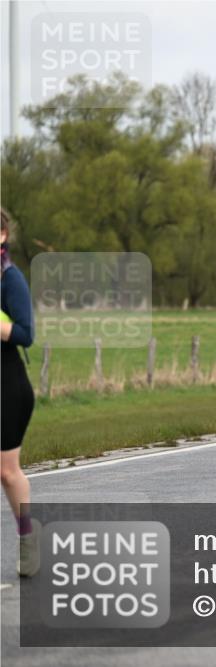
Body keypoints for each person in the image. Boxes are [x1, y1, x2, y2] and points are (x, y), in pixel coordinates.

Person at [0, 209, 39, 576]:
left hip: (8, 386)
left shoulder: (10, 279)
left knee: (8, 473)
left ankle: (28, 539)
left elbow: (27, 334)